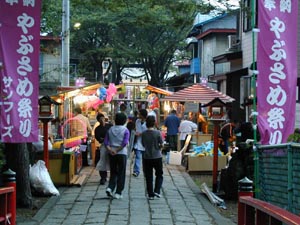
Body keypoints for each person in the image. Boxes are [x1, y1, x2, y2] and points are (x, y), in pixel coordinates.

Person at [105, 112, 130, 199]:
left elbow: (106, 142)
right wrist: (117, 150)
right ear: (124, 121)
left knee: (113, 172)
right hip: (121, 153)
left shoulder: (110, 129)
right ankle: (118, 192)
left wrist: (111, 150)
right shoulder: (125, 130)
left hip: (111, 153)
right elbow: (125, 143)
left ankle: (110, 187)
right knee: (121, 173)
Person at [142, 115, 163, 200]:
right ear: (154, 123)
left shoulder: (144, 133)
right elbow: (161, 144)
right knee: (159, 174)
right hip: (157, 156)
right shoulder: (157, 133)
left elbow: (143, 144)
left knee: (148, 176)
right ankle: (157, 190)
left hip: (147, 157)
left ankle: (150, 194)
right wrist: (160, 148)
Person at [94, 113, 113, 185]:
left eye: (103, 118)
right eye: (100, 119)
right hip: (104, 146)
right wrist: (104, 139)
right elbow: (99, 138)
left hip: (111, 145)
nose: (102, 120)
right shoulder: (97, 129)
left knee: (112, 161)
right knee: (103, 161)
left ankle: (113, 176)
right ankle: (103, 177)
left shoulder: (110, 126)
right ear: (98, 120)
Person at [132, 109, 148, 177]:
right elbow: (136, 128)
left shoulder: (147, 122)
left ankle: (146, 171)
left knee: (145, 158)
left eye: (139, 114)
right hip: (138, 142)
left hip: (146, 142)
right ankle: (136, 171)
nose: (138, 115)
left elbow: (148, 132)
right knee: (138, 157)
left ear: (142, 115)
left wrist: (141, 134)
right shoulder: (137, 121)